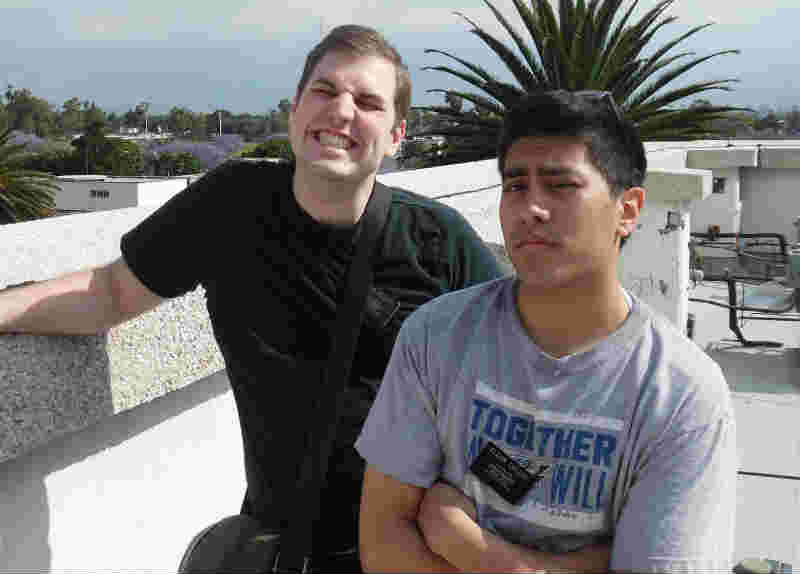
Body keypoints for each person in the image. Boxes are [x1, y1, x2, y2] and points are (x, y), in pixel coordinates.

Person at [0, 25, 503, 570]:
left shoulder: (438, 243)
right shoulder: (230, 206)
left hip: (410, 551)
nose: (341, 111)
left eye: (367, 102)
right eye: (325, 91)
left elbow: (528, 373)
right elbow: (111, 292)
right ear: (293, 111)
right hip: (284, 549)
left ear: (396, 134)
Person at [356, 91, 738, 573]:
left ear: (628, 209)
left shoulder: (680, 394)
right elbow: (384, 543)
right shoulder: (436, 337)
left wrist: (476, 550)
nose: (530, 208)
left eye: (560, 185)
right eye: (515, 186)